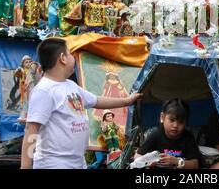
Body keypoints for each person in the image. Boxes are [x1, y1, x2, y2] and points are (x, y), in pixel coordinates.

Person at [21, 38, 142, 169]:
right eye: (70, 54)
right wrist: (25, 166)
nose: (73, 58)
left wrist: (126, 101)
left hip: (78, 163)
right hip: (53, 164)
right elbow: (30, 131)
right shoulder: (44, 90)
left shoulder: (71, 86)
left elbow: (97, 100)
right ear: (62, 58)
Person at [134, 99, 201, 169]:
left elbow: (195, 165)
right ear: (162, 117)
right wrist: (147, 163)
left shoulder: (188, 137)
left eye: (181, 122)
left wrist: (177, 162)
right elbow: (137, 155)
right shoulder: (156, 135)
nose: (175, 125)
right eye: (172, 120)